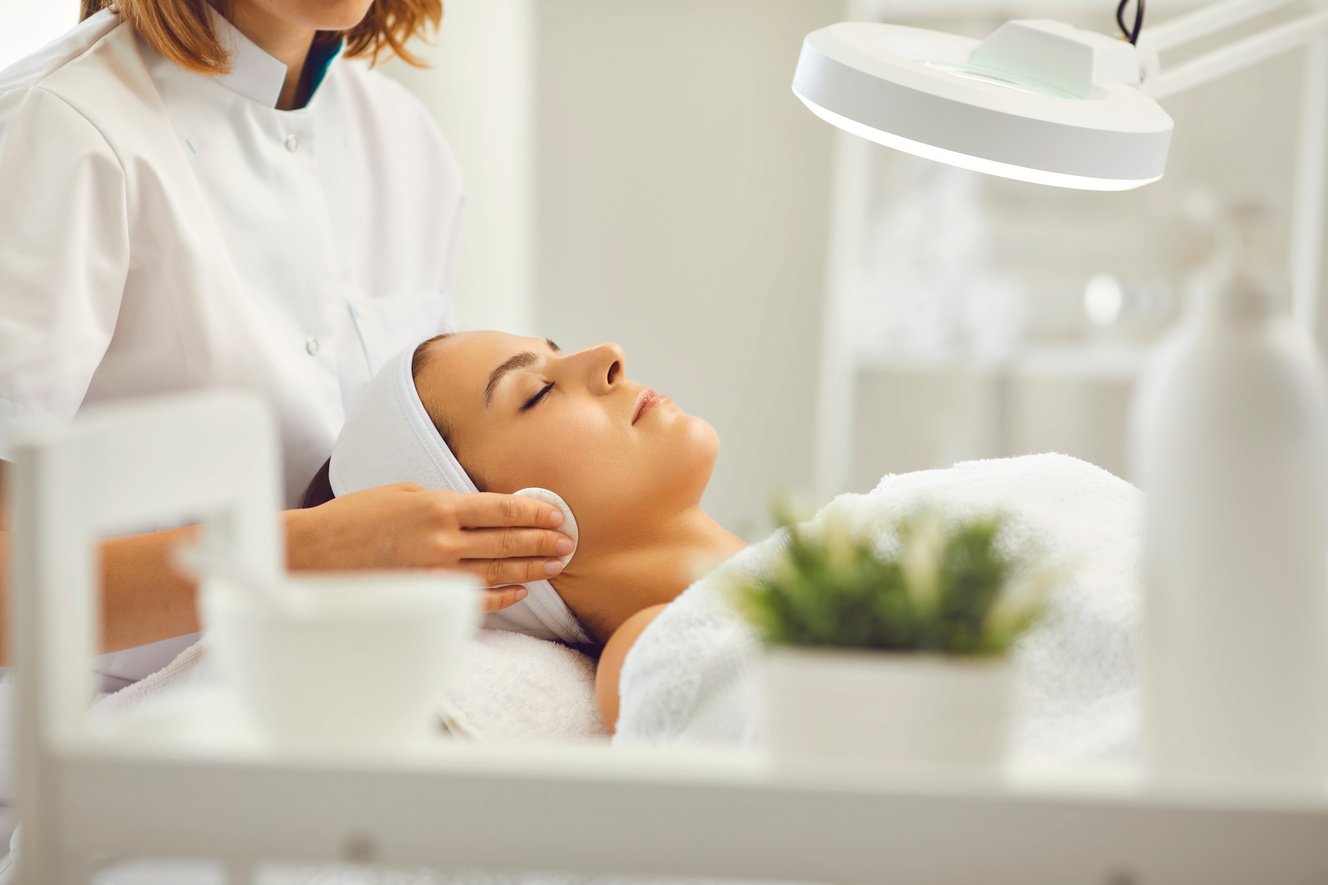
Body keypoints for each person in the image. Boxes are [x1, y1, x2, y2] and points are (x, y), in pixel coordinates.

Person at [0, 1, 573, 678]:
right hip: (99, 744)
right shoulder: (60, 129)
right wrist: (308, 552)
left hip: (332, 707)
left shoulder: (403, 140)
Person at [305, 330, 750, 729]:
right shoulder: (664, 659)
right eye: (539, 392)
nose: (608, 354)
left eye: (556, 352)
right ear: (490, 538)